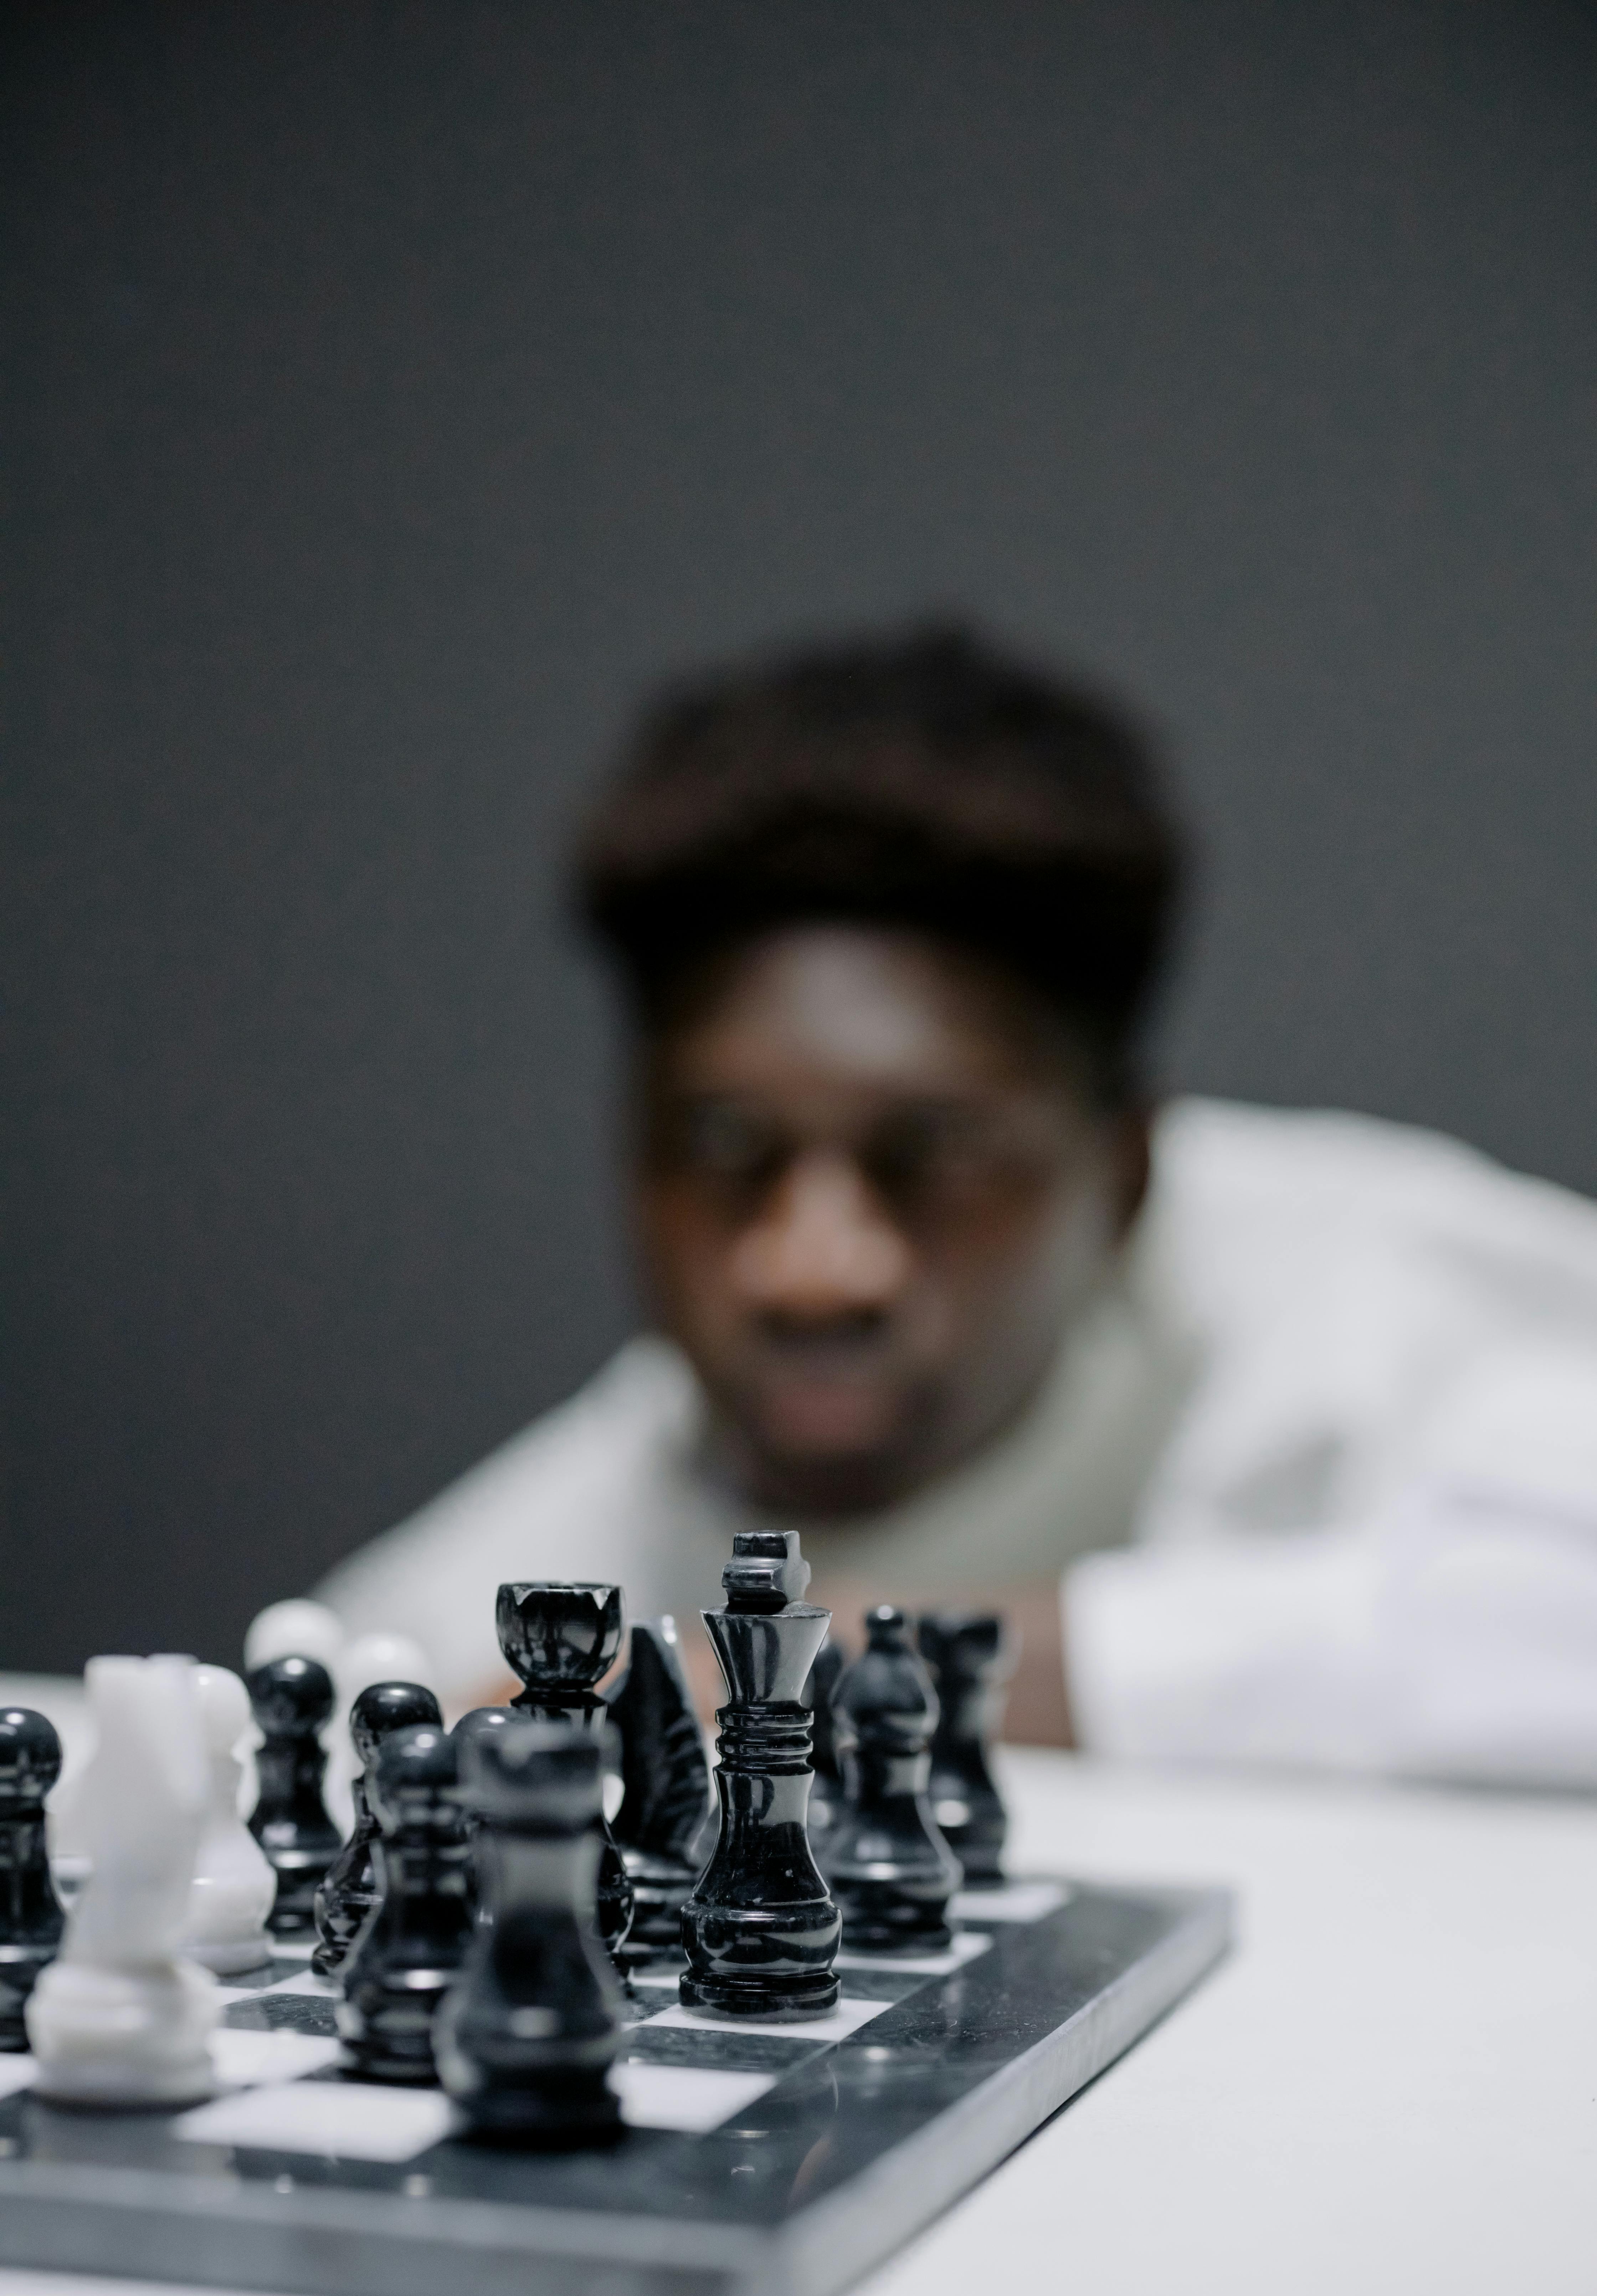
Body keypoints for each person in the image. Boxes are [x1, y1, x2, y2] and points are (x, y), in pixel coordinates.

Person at [312, 625, 1597, 1784]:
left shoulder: (1385, 1298)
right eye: (722, 1145)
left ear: (1130, 1173)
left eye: (930, 1152)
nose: (811, 1270)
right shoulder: (519, 1568)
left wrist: (864, 1670)